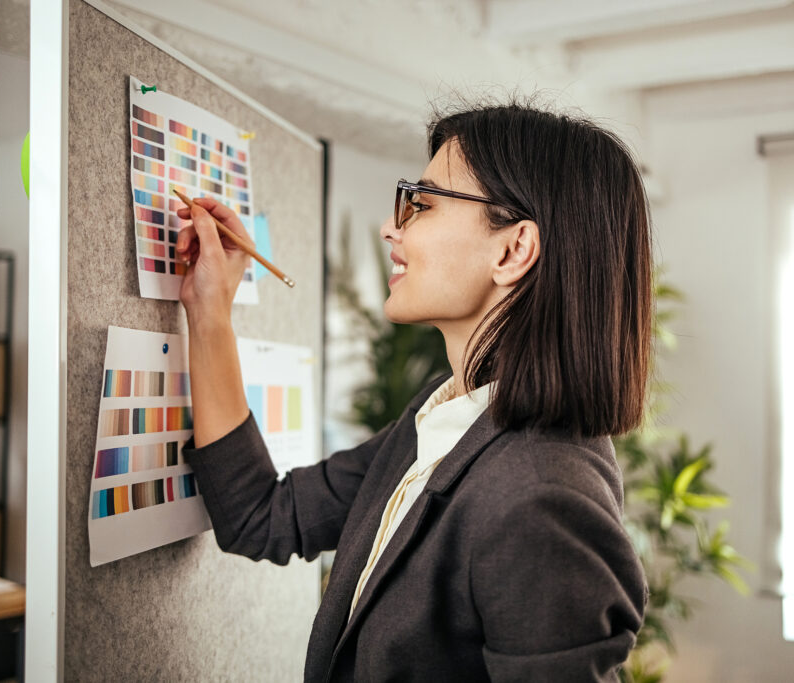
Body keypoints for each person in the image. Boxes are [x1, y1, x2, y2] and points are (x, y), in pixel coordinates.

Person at [175, 102, 653, 682]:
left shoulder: (541, 497)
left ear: (513, 250)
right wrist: (208, 312)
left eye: (421, 202)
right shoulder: (446, 416)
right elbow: (261, 516)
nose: (390, 227)